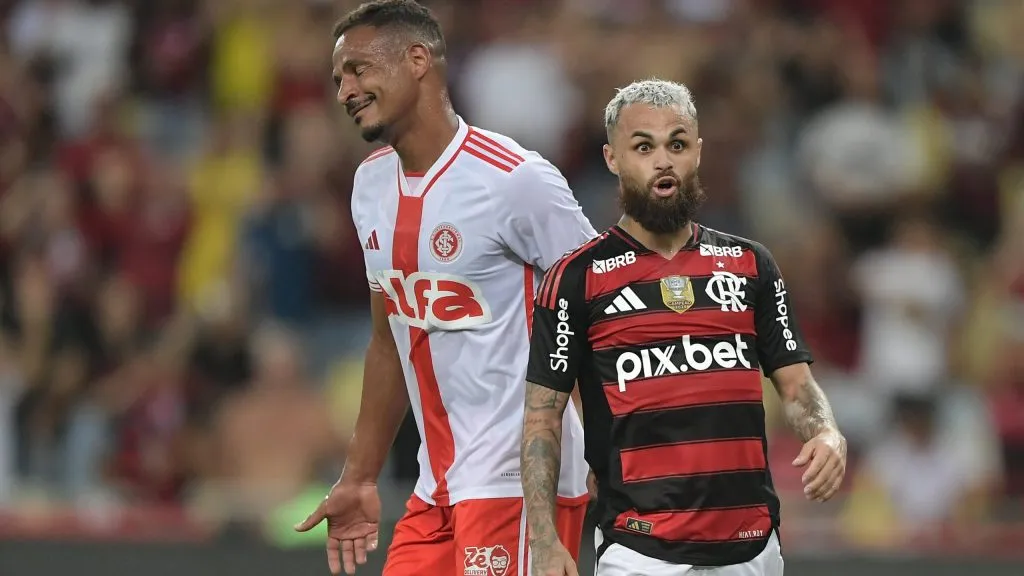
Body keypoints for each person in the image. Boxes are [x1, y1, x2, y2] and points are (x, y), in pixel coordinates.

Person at [293, 1, 595, 575]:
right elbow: (389, 339)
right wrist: (359, 475)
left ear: (417, 60)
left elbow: (602, 309)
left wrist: (617, 449)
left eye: (358, 69)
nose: (344, 91)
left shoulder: (514, 180)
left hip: (521, 480)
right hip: (437, 488)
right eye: (338, 79)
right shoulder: (369, 185)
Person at [519, 79, 848, 576]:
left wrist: (826, 433)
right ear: (612, 159)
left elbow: (797, 385)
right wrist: (543, 540)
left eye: (677, 143)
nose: (663, 160)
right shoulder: (576, 278)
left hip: (752, 549)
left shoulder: (751, 265)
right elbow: (542, 418)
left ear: (697, 151)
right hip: (640, 552)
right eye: (643, 146)